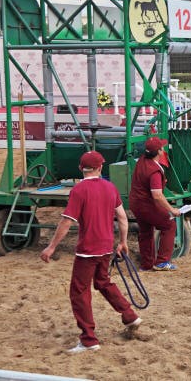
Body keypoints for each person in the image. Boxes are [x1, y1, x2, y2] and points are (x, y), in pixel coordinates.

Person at [40, 151, 142, 353]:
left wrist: (51, 246)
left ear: (81, 168)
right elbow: (122, 218)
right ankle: (129, 315)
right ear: (100, 168)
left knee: (79, 292)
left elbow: (67, 221)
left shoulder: (78, 191)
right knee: (103, 282)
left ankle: (88, 339)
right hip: (106, 246)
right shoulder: (110, 187)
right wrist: (122, 242)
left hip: (88, 249)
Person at [129, 136, 180, 271]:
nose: (163, 150)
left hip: (135, 203)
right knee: (169, 225)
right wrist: (172, 210)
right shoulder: (154, 170)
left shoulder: (141, 161)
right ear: (158, 152)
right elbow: (157, 195)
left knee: (145, 231)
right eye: (161, 148)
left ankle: (147, 264)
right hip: (147, 204)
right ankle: (162, 261)